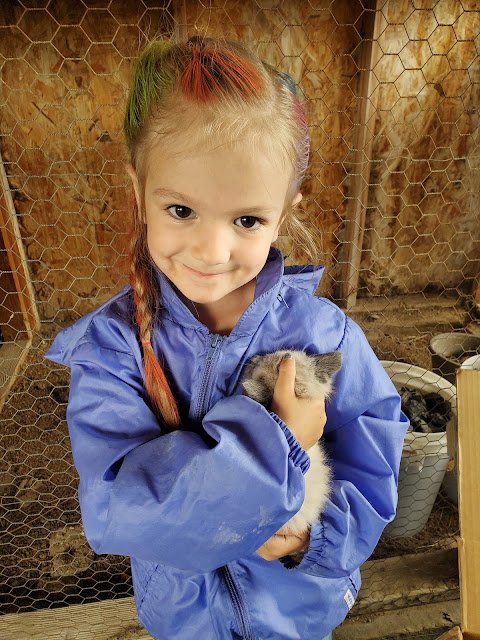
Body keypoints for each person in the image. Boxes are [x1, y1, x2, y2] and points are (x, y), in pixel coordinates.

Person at [46, 36, 408, 640]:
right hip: (186, 616)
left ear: (284, 213)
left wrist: (313, 539)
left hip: (298, 608)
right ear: (138, 190)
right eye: (181, 210)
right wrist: (282, 443)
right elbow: (119, 508)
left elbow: (374, 462)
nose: (212, 252)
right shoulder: (113, 350)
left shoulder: (323, 333)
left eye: (246, 220)